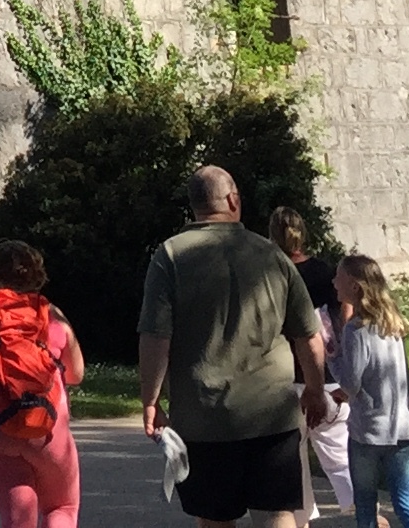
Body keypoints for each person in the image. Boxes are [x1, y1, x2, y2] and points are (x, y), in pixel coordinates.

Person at [137, 164, 330, 528]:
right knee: (277, 513)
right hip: (272, 412)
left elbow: (155, 335)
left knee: (213, 517)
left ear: (194, 205)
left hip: (203, 417)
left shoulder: (171, 256)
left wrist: (150, 400)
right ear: (233, 200)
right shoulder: (272, 255)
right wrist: (316, 390)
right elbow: (309, 334)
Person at [0, 237, 86, 528]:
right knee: (62, 506)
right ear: (37, 275)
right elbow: (76, 375)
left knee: (17, 517)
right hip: (47, 429)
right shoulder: (53, 316)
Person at [330, 258, 409, 528]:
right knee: (405, 501)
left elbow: (351, 384)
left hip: (368, 432)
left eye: (339, 277)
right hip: (402, 429)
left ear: (355, 286)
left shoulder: (356, 330)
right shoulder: (392, 325)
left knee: (365, 503)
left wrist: (332, 359)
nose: (334, 282)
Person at [265, 214, 346, 518]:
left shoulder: (270, 273)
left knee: (293, 467)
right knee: (341, 460)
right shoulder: (324, 273)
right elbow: (341, 318)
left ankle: (301, 522)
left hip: (282, 375)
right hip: (325, 375)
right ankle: (367, 512)